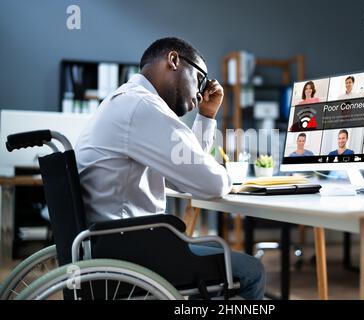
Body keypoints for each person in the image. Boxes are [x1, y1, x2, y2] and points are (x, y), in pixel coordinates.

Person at [75, 37, 265, 299]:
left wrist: (206, 116)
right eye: (199, 79)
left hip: (107, 246)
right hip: (130, 254)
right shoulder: (143, 106)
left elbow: (183, 176)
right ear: (173, 60)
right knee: (250, 271)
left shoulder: (123, 100)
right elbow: (212, 183)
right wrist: (232, 174)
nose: (200, 93)